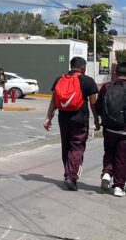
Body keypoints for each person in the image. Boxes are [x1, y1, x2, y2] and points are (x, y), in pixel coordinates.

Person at [43, 56, 99, 191]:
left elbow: (54, 101)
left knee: (66, 147)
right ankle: (71, 176)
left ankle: (68, 174)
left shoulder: (59, 79)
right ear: (83, 67)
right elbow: (93, 104)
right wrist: (97, 119)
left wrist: (48, 118)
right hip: (80, 120)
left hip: (63, 119)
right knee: (77, 147)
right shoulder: (88, 81)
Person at [96, 61, 126, 197]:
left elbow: (98, 107)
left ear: (116, 72)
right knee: (122, 158)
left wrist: (106, 118)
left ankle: (107, 174)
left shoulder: (107, 86)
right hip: (124, 130)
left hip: (108, 128)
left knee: (109, 152)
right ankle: (118, 187)